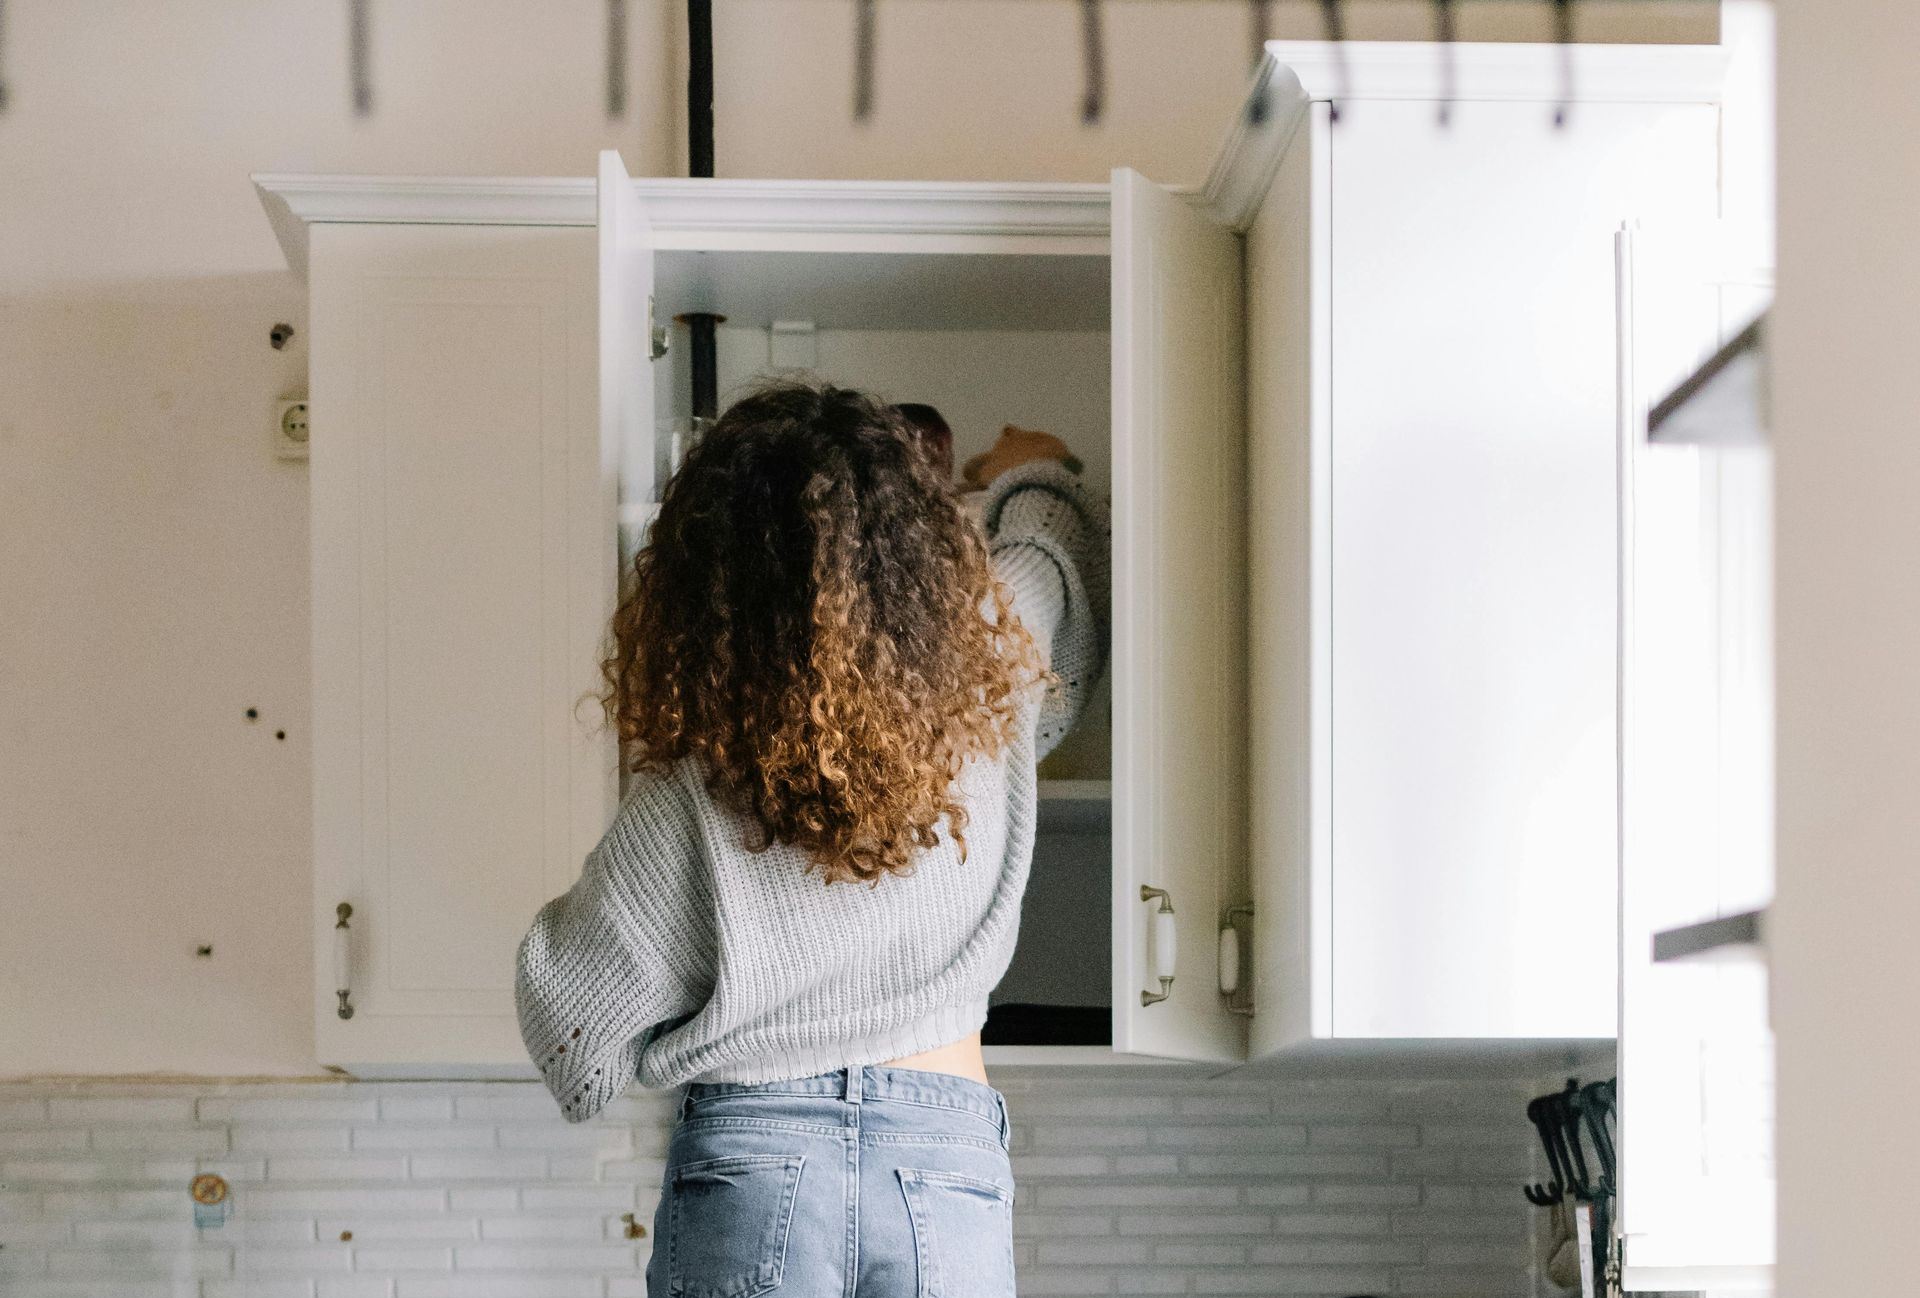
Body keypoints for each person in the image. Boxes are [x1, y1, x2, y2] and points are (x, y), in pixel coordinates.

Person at [514, 380, 1107, 1297]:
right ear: (919, 556)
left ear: (706, 593)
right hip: (942, 1164)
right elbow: (1050, 553)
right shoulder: (989, 666)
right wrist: (1025, 462)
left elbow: (574, 1041)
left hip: (751, 1160)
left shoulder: (686, 801)